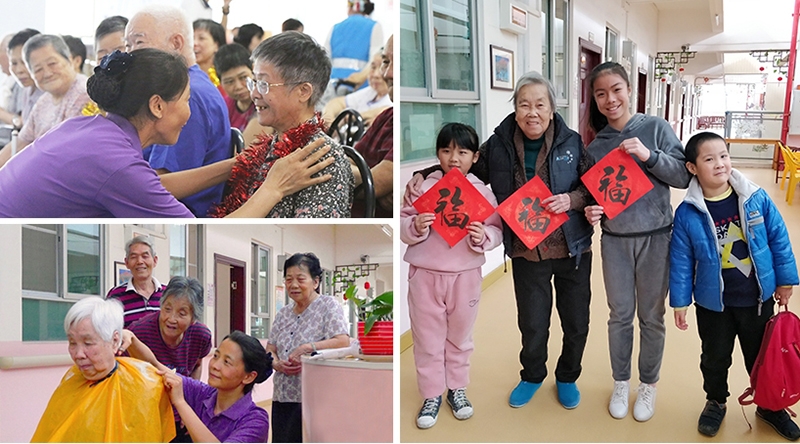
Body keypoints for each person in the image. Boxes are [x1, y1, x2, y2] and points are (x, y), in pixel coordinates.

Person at [406, 71, 595, 412]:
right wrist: (425, 174)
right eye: (524, 104)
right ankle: (533, 375)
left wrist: (572, 200)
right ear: (515, 108)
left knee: (576, 320)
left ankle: (567, 376)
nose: (532, 112)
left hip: (572, 246)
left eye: (540, 104)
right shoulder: (498, 144)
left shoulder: (572, 142)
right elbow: (461, 163)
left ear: (552, 109)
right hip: (526, 248)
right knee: (533, 322)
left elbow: (592, 185)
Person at [0, 49, 335, 217]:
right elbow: (200, 231)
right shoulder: (116, 163)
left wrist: (241, 162)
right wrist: (274, 186)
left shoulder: (90, 129)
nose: (190, 113)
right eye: (187, 100)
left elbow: (152, 185)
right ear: (157, 105)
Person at [670, 131, 800, 440]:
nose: (720, 164)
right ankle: (716, 401)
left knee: (761, 357)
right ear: (692, 168)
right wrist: (679, 302)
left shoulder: (754, 197)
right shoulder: (688, 213)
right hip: (713, 303)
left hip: (757, 299)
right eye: (709, 159)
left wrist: (785, 280)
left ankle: (769, 405)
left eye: (724, 156)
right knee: (715, 357)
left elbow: (778, 240)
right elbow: (681, 260)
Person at [583, 61, 691, 422]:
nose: (610, 99)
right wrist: (592, 212)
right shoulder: (596, 146)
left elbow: (682, 176)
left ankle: (648, 384)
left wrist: (649, 156)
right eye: (601, 94)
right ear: (595, 100)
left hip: (657, 239)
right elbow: (591, 195)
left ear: (630, 90)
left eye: (616, 89)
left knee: (651, 316)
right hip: (614, 241)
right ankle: (620, 381)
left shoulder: (656, 128)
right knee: (619, 316)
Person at [401, 123, 503, 429]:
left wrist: (482, 235)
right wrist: (415, 227)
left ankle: (457, 389)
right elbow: (405, 224)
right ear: (437, 154)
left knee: (460, 338)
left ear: (475, 156)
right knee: (427, 340)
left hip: (466, 276)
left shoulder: (483, 192)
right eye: (446, 151)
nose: (453, 158)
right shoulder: (421, 187)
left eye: (462, 151)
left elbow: (497, 230)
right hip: (425, 276)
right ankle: (432, 393)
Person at [210, 31, 354, 218]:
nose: (253, 94)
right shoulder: (265, 149)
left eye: (264, 84)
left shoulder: (321, 159)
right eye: (254, 82)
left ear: (303, 91)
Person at [126, 5, 230, 217]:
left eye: (139, 42)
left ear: (176, 43)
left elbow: (160, 185)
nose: (130, 54)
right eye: (127, 45)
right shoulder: (176, 87)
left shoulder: (188, 96)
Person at [31, 297, 175, 442]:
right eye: (72, 343)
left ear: (114, 341)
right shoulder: (71, 379)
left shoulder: (146, 385)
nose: (78, 354)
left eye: (88, 343)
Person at [125, 329, 272, 443]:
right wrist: (131, 338)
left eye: (227, 362)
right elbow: (154, 365)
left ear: (248, 377)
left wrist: (180, 402)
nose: (215, 365)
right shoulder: (204, 394)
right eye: (216, 356)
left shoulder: (256, 420)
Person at [267, 253, 350, 442]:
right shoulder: (283, 314)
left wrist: (308, 347)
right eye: (289, 279)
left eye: (300, 279)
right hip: (283, 395)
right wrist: (276, 363)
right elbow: (270, 348)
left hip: (316, 397)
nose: (293, 285)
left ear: (315, 281)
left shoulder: (328, 306)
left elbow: (342, 340)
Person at [0, 34, 89, 167]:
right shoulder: (44, 100)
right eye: (38, 69)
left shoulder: (83, 94)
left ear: (70, 60)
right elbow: (20, 142)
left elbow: (66, 154)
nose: (47, 73)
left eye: (52, 64)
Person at [127, 276, 212, 378]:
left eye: (181, 313)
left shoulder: (201, 336)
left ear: (193, 319)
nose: (171, 319)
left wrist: (191, 391)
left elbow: (197, 365)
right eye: (167, 309)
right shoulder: (139, 332)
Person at [351, 35, 394, 218]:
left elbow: (375, 184)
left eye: (396, 63)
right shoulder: (386, 117)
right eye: (386, 62)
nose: (386, 73)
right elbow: (352, 158)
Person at [106, 236, 165, 327]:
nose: (140, 261)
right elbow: (108, 330)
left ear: (155, 260)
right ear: (126, 263)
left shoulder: (168, 293)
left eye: (145, 256)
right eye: (134, 257)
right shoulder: (115, 296)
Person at [322, 50, 391, 128]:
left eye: (382, 68)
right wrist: (328, 116)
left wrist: (354, 117)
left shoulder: (392, 100)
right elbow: (338, 102)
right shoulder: (370, 92)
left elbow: (388, 111)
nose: (376, 75)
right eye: (373, 67)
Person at [325, 0, 383, 86]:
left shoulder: (335, 28)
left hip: (333, 83)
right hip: (360, 85)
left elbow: (325, 58)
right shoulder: (374, 26)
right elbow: (375, 59)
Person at [214, 43, 255, 131]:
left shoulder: (265, 104)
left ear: (253, 70)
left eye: (243, 77)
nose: (238, 87)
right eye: (229, 81)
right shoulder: (223, 107)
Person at [193, 19, 226, 87]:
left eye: (201, 38)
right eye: (192, 38)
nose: (194, 43)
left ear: (217, 45)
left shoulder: (225, 75)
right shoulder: (183, 76)